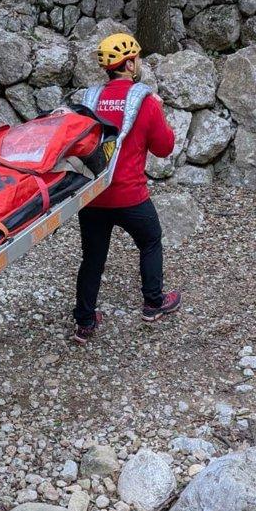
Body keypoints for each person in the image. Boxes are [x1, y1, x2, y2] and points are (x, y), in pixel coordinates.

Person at [73, 32, 182, 344]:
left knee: (92, 257)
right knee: (150, 241)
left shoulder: (88, 99)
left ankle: (84, 322)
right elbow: (164, 148)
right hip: (130, 196)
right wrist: (161, 116)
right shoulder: (145, 101)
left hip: (93, 195)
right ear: (130, 63)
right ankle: (153, 303)